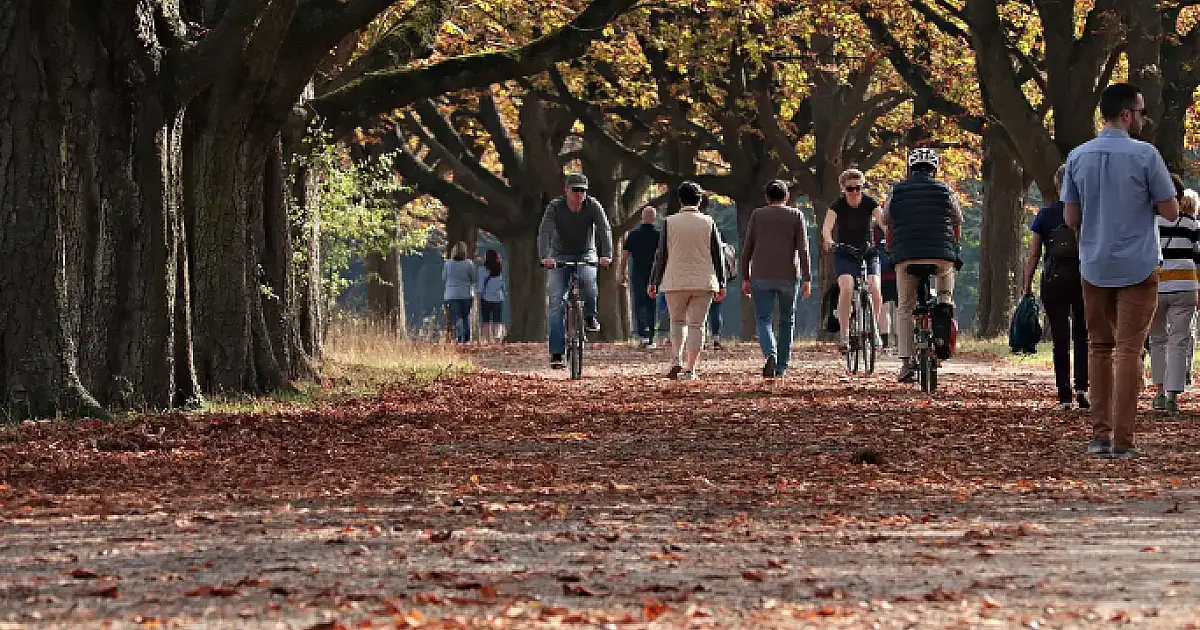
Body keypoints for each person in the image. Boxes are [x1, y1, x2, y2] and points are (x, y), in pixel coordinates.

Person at [1062, 82, 1178, 458]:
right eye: (1142, 112)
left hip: (1094, 263)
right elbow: (1171, 211)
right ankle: (1124, 441)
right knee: (1129, 349)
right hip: (1138, 264)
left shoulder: (1078, 157)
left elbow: (1070, 217)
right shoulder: (1146, 156)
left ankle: (1100, 436)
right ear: (1127, 114)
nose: (1144, 119)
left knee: (1098, 347)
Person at [881, 147, 962, 383]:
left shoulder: (897, 191)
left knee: (905, 307)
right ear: (934, 169)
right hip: (941, 255)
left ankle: (906, 362)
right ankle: (943, 314)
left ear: (910, 169)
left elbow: (885, 219)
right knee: (945, 291)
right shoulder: (946, 190)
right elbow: (958, 219)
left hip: (906, 256)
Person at [1022, 164, 1089, 411]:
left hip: (1054, 279)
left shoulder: (1045, 215)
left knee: (1060, 338)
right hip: (1083, 278)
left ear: (1058, 185)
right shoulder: (1086, 213)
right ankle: (1082, 387)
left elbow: (1033, 254)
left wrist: (1027, 285)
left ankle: (1064, 396)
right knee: (1082, 334)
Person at [648, 181, 727, 379]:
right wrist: (722, 282)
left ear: (680, 201)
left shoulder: (669, 222)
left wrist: (654, 281)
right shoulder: (708, 222)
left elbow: (661, 255)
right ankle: (690, 368)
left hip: (675, 280)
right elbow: (717, 254)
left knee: (677, 321)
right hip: (703, 280)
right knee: (697, 325)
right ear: (699, 201)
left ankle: (676, 359)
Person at [538, 173, 613, 369]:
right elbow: (545, 231)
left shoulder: (593, 206)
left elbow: (604, 229)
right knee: (556, 302)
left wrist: (606, 254)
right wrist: (545, 256)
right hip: (559, 255)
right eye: (575, 190)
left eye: (583, 191)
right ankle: (557, 352)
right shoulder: (555, 207)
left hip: (586, 253)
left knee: (588, 281)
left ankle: (589, 316)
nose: (580, 194)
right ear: (566, 191)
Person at [740, 179, 813, 378]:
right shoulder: (796, 215)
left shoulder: (757, 215)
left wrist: (745, 277)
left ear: (767, 198)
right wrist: (807, 278)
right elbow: (803, 249)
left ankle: (770, 352)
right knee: (787, 320)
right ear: (786, 196)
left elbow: (747, 249)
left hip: (760, 274)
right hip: (788, 275)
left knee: (763, 319)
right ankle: (781, 366)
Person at [1149, 178, 1200, 415]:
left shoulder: (1150, 223)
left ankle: (1159, 392)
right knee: (1179, 340)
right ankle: (1172, 396)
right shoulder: (1191, 224)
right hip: (1185, 286)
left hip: (1156, 286)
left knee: (1157, 339)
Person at [823, 168, 888, 353]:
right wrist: (828, 240)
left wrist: (888, 236)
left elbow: (882, 222)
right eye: (850, 188)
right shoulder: (837, 205)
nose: (854, 192)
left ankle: (874, 331)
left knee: (874, 287)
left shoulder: (870, 202)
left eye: (858, 188)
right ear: (843, 188)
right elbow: (827, 227)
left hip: (868, 251)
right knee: (847, 286)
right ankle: (844, 335)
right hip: (845, 251)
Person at [618, 206, 660, 348]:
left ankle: (642, 335)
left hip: (637, 272)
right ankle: (651, 337)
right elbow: (662, 255)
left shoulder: (633, 234)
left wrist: (622, 272)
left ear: (642, 217)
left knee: (639, 304)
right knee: (651, 304)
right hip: (653, 274)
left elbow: (624, 255)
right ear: (654, 218)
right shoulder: (658, 235)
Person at [442, 241, 477, 343]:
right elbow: (474, 279)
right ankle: (466, 340)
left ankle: (458, 338)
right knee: (465, 317)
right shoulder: (469, 264)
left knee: (455, 318)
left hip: (451, 295)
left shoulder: (448, 263)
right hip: (466, 294)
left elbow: (444, 277)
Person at [873, 223, 898, 350]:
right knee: (901, 309)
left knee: (884, 309)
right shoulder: (899, 225)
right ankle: (900, 342)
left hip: (881, 274)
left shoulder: (875, 228)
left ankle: (885, 343)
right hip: (899, 273)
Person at [478, 249, 506, 343]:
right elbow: (502, 284)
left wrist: (479, 297)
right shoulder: (500, 269)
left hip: (486, 298)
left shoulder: (482, 270)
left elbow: (481, 286)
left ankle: (489, 340)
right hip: (498, 298)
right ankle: (497, 337)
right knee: (497, 320)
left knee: (486, 320)